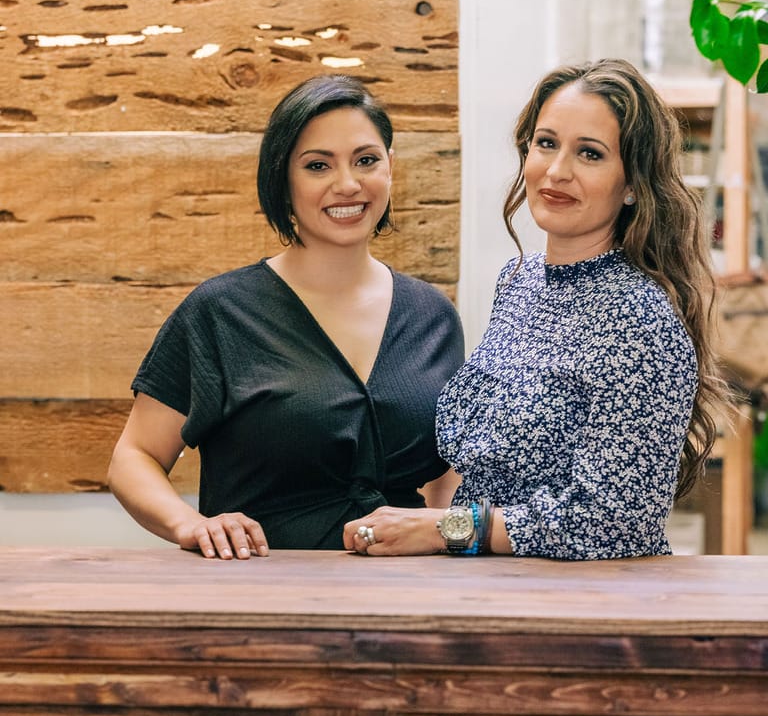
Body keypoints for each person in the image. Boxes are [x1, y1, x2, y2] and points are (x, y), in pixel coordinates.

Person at [344, 58, 730, 560]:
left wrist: (445, 529)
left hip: (581, 605)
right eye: (546, 143)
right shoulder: (518, 282)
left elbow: (616, 518)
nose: (556, 170)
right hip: (484, 585)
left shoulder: (640, 319)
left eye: (589, 153)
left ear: (633, 183)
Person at [108, 75, 465, 558]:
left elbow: (448, 472)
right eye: (318, 165)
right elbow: (134, 457)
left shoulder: (433, 316)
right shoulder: (220, 312)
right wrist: (189, 525)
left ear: (390, 168)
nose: (347, 184)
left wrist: (452, 549)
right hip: (258, 595)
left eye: (366, 160)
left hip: (404, 596)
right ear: (282, 179)